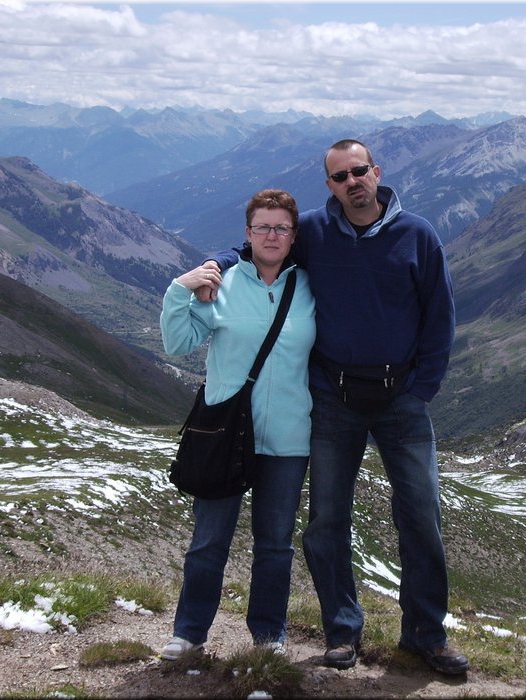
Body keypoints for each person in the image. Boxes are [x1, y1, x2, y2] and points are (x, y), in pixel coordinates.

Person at [201, 140, 467, 675]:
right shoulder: (314, 233)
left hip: (401, 399)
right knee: (327, 520)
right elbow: (261, 245)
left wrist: (422, 388)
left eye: (359, 171)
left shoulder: (417, 235)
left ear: (377, 172)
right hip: (334, 397)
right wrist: (219, 263)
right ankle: (342, 631)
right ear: (329, 185)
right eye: (340, 176)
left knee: (421, 516)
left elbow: (440, 314)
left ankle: (426, 634)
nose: (352, 182)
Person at [159, 189, 316, 660]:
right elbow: (178, 342)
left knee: (275, 546)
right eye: (263, 227)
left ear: (294, 235)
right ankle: (189, 634)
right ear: (248, 233)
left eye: (281, 228)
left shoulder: (310, 285)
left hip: (288, 437)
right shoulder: (221, 282)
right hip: (225, 434)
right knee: (209, 541)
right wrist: (179, 289)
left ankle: (269, 638)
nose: (272, 236)